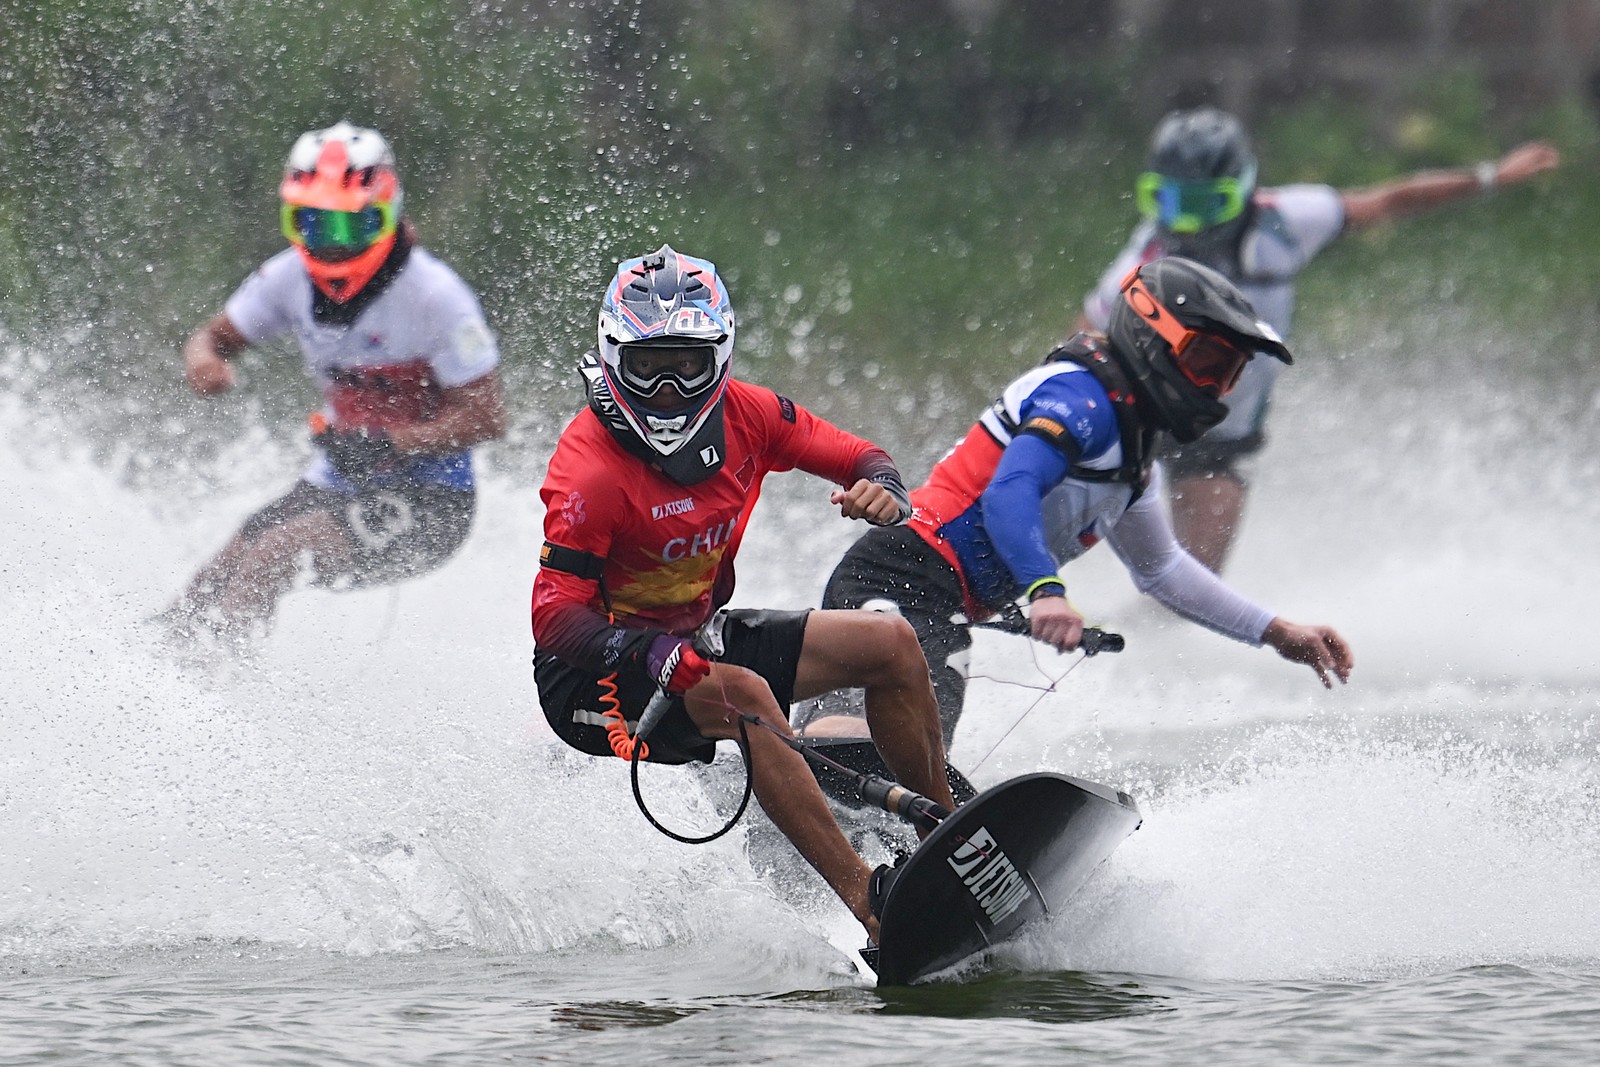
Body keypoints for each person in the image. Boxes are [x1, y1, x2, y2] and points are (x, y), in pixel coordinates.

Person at [531, 245, 956, 942]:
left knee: (892, 644)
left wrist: (886, 488)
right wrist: (650, 654)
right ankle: (872, 907)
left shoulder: (750, 415)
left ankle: (946, 841)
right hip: (596, 674)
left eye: (687, 367)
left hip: (696, 643)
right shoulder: (589, 470)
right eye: (647, 369)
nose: (667, 392)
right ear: (612, 358)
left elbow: (859, 455)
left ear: (720, 359)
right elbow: (552, 615)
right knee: (751, 697)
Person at [799, 256, 1354, 748]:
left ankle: (843, 822)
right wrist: (1047, 592)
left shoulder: (1134, 463)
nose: (1214, 388)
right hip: (897, 578)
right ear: (1151, 334)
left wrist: (1278, 632)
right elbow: (1009, 493)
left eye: (1229, 374)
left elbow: (1163, 570)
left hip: (940, 609)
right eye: (1206, 363)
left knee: (916, 752)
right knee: (873, 741)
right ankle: (793, 777)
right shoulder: (1077, 396)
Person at [1077, 107, 1560, 572]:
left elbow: (1392, 199)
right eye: (1169, 203)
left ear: (1244, 189)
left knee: (1192, 584)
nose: (1187, 224)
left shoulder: (1289, 221)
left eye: (1205, 205)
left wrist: (1492, 176)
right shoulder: (1142, 265)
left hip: (1219, 439)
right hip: (1142, 424)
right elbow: (1084, 339)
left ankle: (1139, 640)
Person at [163, 121, 506, 648]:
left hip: (432, 503)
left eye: (353, 227)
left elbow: (488, 416)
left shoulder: (438, 298)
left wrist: (391, 443)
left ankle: (211, 702)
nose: (335, 248)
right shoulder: (284, 279)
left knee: (273, 554)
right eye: (316, 226)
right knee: (233, 555)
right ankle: (158, 657)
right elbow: (212, 337)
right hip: (339, 481)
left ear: (387, 215)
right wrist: (204, 362)